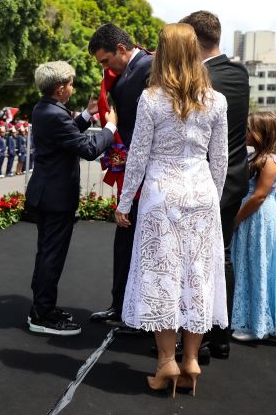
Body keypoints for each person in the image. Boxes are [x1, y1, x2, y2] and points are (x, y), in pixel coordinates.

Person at [114, 23, 228, 397]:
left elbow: (139, 157)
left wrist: (125, 200)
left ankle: (166, 362)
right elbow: (220, 160)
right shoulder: (216, 101)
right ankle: (192, 360)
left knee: (161, 274)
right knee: (197, 275)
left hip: (162, 196)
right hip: (201, 195)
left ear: (162, 54)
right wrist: (213, 197)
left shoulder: (150, 99)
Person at [26, 60, 118, 336]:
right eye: (70, 84)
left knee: (48, 254)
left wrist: (87, 116)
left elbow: (64, 135)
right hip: (55, 197)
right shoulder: (54, 113)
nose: (72, 88)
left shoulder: (46, 108)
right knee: (51, 257)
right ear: (59, 89)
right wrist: (110, 128)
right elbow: (88, 149)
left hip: (47, 193)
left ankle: (44, 306)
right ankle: (41, 315)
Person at [181, 10, 250, 359]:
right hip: (236, 177)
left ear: (192, 41)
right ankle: (220, 334)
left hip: (204, 181)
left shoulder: (202, 81)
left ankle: (199, 334)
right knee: (221, 257)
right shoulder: (239, 73)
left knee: (195, 259)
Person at [88, 23, 154, 331]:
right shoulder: (125, 73)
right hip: (130, 169)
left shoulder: (151, 68)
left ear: (122, 50)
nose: (105, 69)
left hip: (148, 171)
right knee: (124, 238)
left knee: (142, 242)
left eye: (105, 61)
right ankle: (120, 305)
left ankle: (140, 311)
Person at [230, 112, 276, 342]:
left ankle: (255, 324)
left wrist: (236, 219)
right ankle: (251, 319)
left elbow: (258, 197)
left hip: (258, 217)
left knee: (257, 267)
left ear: (261, 134)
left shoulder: (270, 161)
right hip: (255, 216)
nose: (245, 133)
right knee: (249, 266)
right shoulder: (258, 157)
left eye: (249, 129)